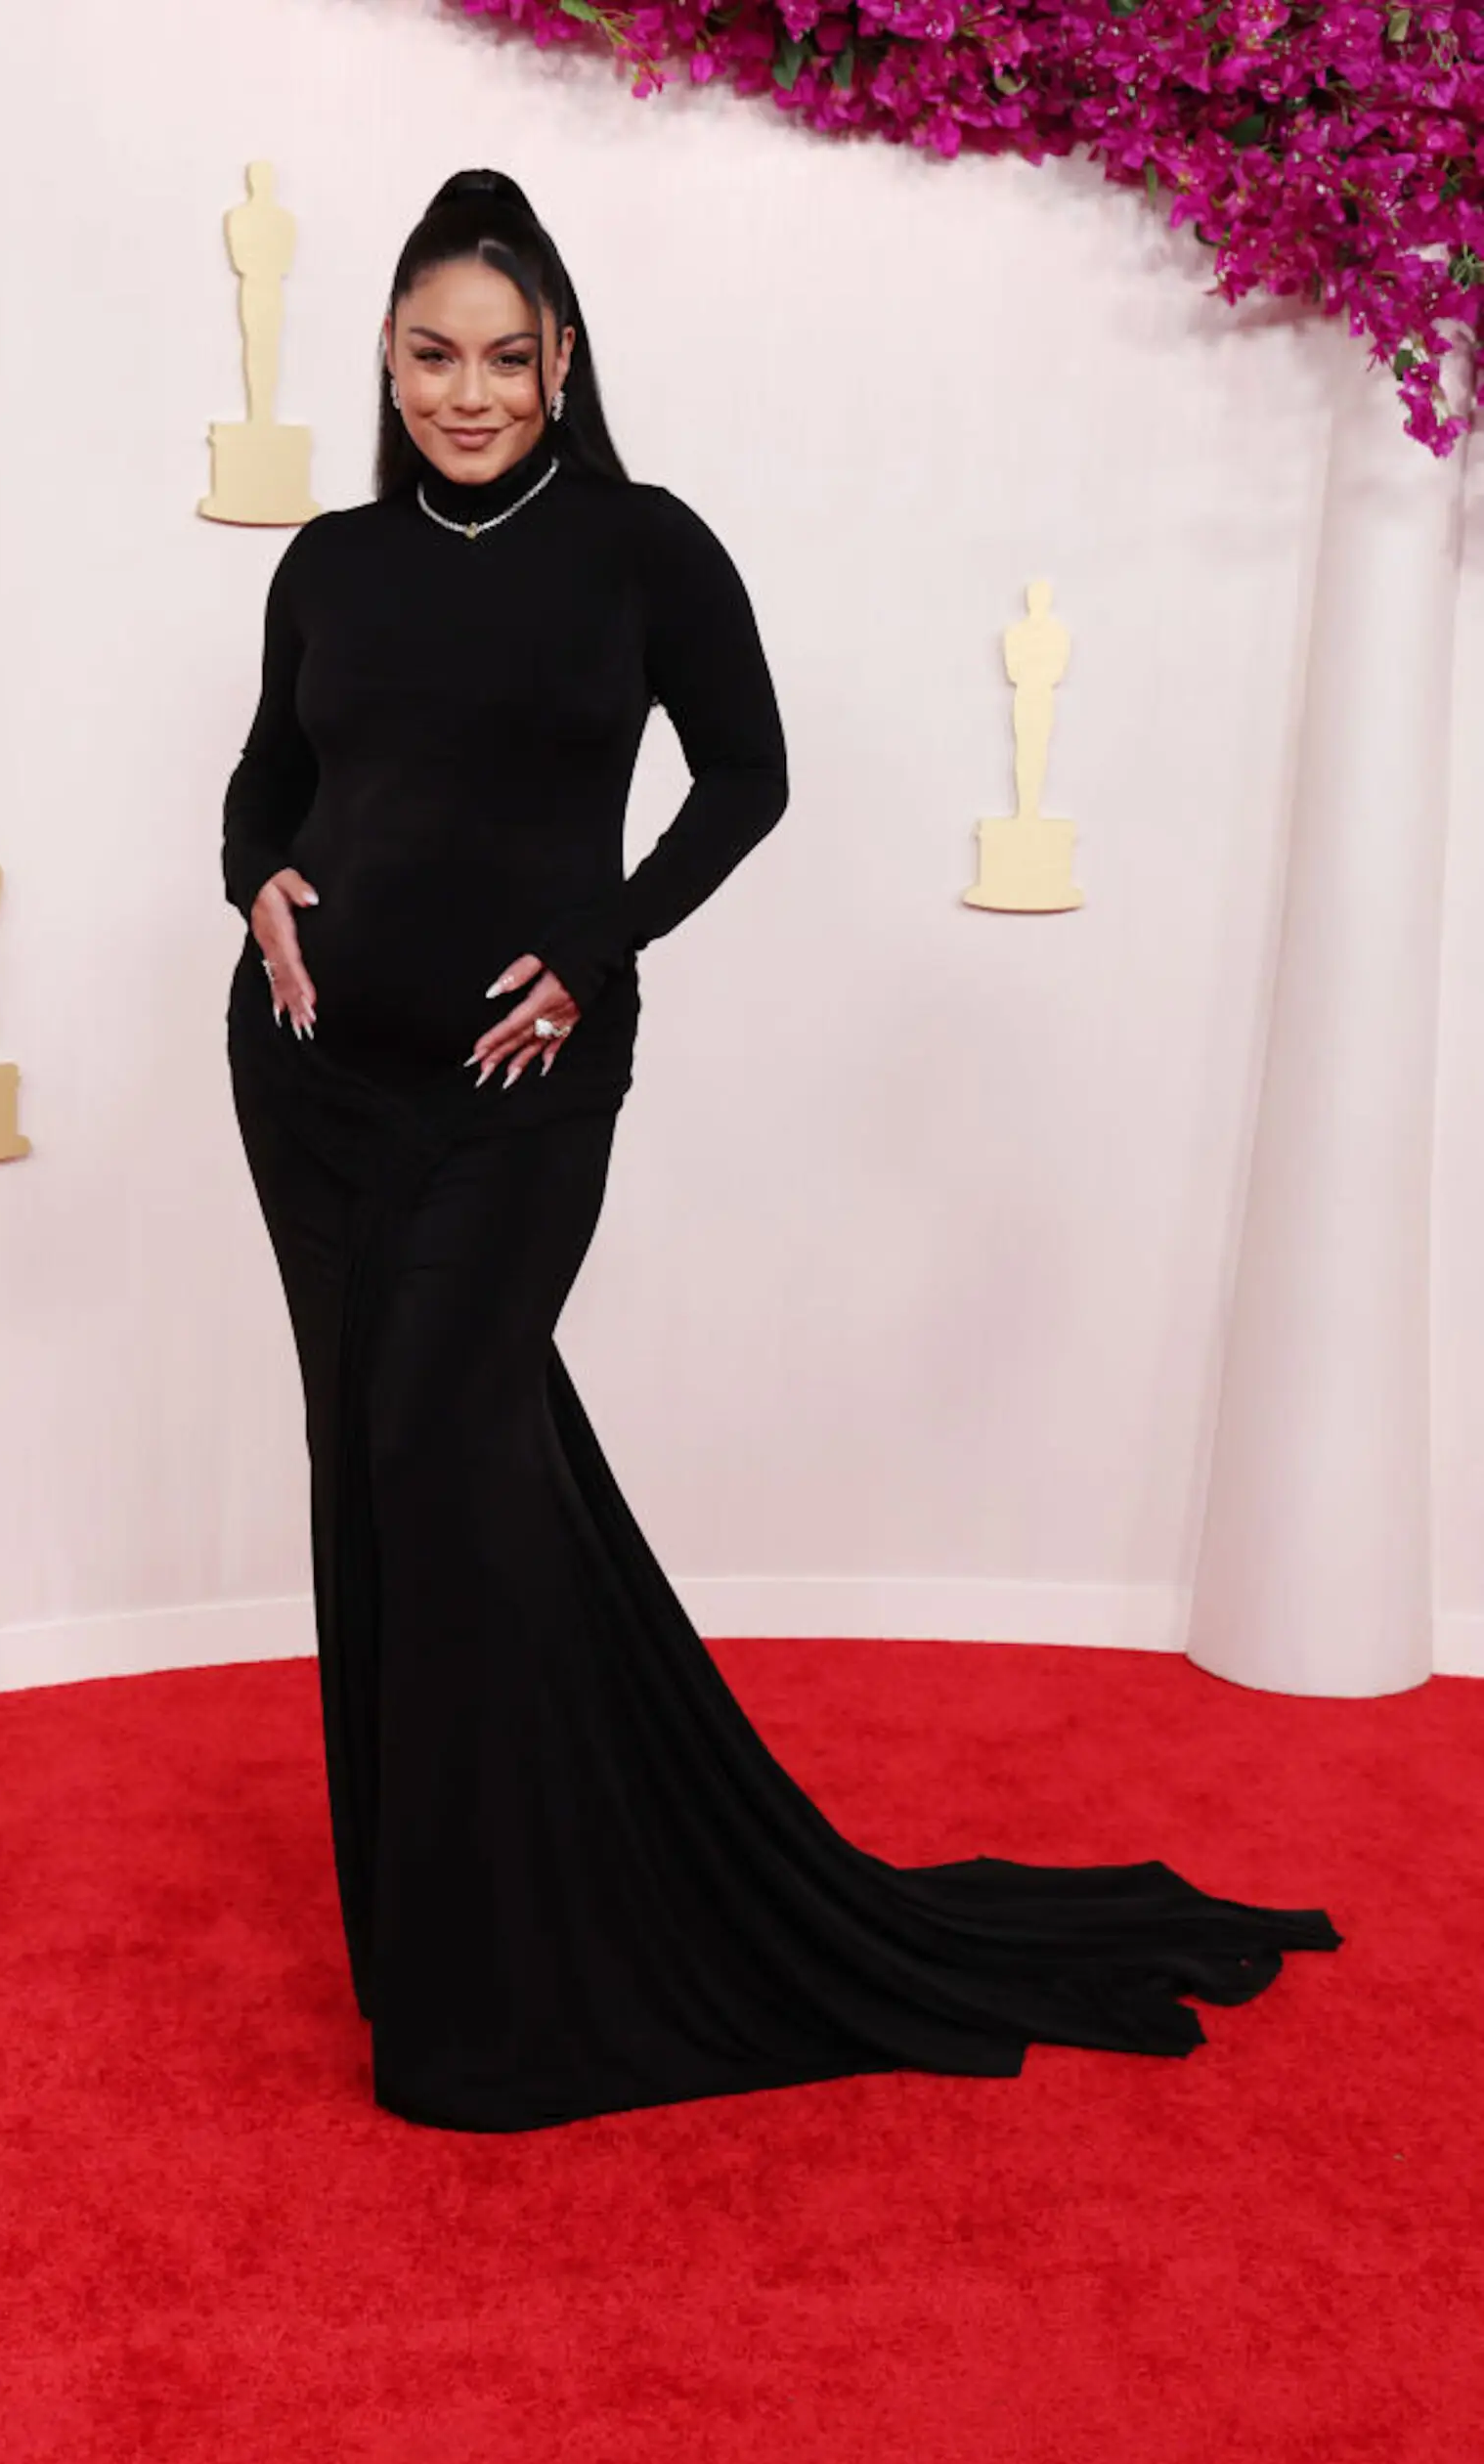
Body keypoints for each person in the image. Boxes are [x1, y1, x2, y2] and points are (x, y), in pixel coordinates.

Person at [222, 167, 1340, 2134]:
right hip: (310, 1082)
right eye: (427, 357)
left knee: (433, 1443)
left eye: (502, 355)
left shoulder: (643, 547)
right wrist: (261, 890)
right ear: (383, 361)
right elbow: (267, 791)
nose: (464, 392)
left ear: (562, 360)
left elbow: (747, 772)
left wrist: (598, 937)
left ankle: (543, 1967)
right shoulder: (323, 560)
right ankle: (432, 1954)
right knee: (380, 1484)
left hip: (516, 1082)